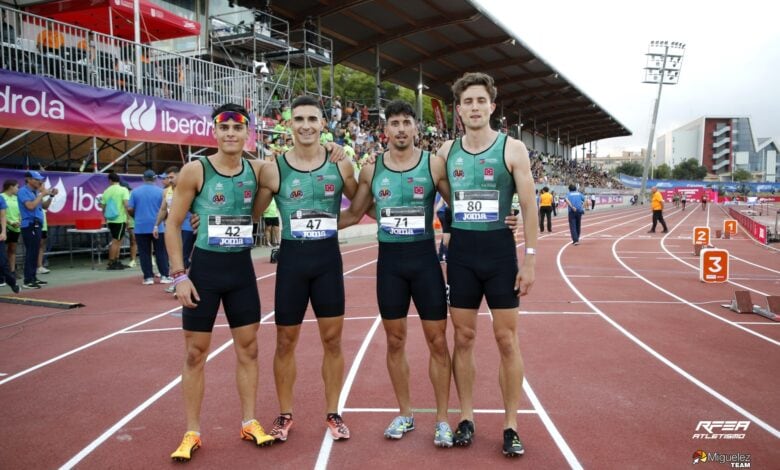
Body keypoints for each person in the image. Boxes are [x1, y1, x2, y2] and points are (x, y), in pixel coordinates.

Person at [338, 100, 455, 446]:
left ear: (416, 128)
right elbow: (354, 213)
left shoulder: (433, 165)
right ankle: (405, 414)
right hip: (389, 264)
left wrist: (504, 217)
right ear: (385, 129)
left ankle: (443, 419)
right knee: (395, 340)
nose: (401, 129)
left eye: (407, 122)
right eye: (395, 123)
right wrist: (308, 221)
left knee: (437, 341)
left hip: (425, 263)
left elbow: (460, 207)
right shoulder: (371, 171)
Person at [436, 72, 537, 457]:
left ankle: (510, 424)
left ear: (492, 106)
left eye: (481, 101)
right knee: (462, 338)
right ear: (458, 109)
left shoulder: (513, 149)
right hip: (462, 253)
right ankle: (466, 417)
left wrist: (530, 260)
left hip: (499, 253)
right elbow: (423, 177)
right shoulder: (446, 152)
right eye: (467, 102)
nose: (474, 107)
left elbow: (528, 206)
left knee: (506, 339)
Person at [166, 104, 275, 461]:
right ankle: (191, 431)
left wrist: (335, 149)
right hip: (205, 274)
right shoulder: (195, 170)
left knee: (250, 350)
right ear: (215, 132)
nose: (230, 133)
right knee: (195, 353)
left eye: (238, 127)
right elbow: (172, 224)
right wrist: (180, 275)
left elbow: (264, 202)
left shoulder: (258, 169)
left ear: (248, 134)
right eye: (224, 127)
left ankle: (249, 422)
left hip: (241, 273)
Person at [254, 95, 357, 443]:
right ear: (290, 124)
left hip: (328, 261)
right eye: (299, 119)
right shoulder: (274, 168)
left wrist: (328, 224)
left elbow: (358, 209)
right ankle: (285, 415)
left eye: (313, 119)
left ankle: (333, 412)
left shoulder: (341, 165)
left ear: (323, 124)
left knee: (332, 340)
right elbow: (252, 213)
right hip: (292, 264)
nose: (306, 125)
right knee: (285, 341)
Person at [155, 166, 194, 292]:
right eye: (168, 177)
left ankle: (181, 283)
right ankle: (180, 280)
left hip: (187, 227)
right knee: (173, 256)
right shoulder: (166, 191)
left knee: (182, 256)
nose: (169, 180)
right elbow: (162, 209)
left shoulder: (189, 189)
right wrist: (156, 225)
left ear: (179, 176)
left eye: (172, 177)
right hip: (172, 228)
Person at [129, 170, 171, 285]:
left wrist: (136, 216)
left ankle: (148, 277)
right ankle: (164, 275)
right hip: (158, 227)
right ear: (154, 179)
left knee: (144, 252)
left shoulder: (135, 192)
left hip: (140, 226)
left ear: (143, 178)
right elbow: (165, 210)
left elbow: (129, 208)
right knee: (161, 252)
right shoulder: (161, 192)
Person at [18, 171, 57, 289]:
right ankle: (27, 280)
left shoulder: (35, 192)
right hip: (29, 225)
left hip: (37, 224)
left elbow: (44, 206)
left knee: (35, 252)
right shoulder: (23, 191)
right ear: (29, 179)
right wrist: (42, 194)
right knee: (31, 252)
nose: (39, 182)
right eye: (36, 179)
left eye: (40, 179)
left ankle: (33, 277)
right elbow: (30, 206)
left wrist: (50, 196)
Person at [99, 172, 130, 270]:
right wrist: (128, 218)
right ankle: (111, 262)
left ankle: (116, 260)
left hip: (110, 219)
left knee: (118, 240)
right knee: (116, 241)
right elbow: (126, 204)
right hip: (120, 219)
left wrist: (105, 216)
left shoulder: (106, 190)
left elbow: (103, 206)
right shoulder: (123, 190)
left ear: (110, 180)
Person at [1, 180, 20, 284]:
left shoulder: (16, 198)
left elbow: (20, 212)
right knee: (2, 252)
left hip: (16, 228)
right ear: (10, 187)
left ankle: (12, 272)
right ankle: (3, 274)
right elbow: (2, 215)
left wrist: (19, 221)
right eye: (17, 187)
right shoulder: (2, 196)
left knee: (12, 249)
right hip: (5, 227)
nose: (18, 189)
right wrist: (10, 222)